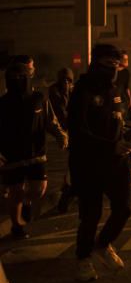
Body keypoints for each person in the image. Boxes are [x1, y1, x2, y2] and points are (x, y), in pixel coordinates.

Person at [67, 44, 131, 281]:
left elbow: (116, 121)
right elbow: (78, 131)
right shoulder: (82, 92)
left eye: (117, 65)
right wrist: (109, 145)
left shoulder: (114, 90)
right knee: (91, 214)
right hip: (89, 163)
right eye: (108, 65)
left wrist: (129, 136)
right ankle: (83, 258)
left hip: (116, 161)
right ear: (96, 64)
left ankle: (103, 244)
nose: (113, 70)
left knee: (124, 208)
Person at [0, 62, 68, 239]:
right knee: (15, 192)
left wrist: (61, 135)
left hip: (36, 154)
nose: (17, 81)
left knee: (39, 188)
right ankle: (17, 226)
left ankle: (27, 202)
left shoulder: (38, 99)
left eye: (20, 77)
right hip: (11, 155)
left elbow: (50, 121)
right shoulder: (2, 104)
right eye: (13, 78)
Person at [49, 69, 77, 213]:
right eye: (64, 80)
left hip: (75, 132)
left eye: (69, 80)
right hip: (66, 131)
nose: (67, 83)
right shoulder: (55, 92)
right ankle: (65, 197)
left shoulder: (73, 91)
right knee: (74, 167)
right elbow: (61, 111)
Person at [116, 53, 131, 117]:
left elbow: (126, 87)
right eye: (124, 59)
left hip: (123, 100)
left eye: (127, 59)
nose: (126, 61)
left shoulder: (126, 72)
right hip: (114, 99)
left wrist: (130, 101)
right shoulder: (113, 71)